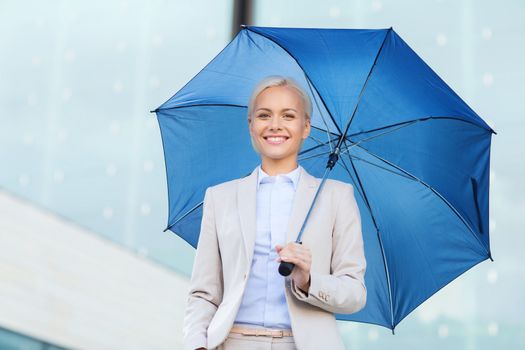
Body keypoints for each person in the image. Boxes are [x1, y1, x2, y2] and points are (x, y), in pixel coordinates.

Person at [183, 76, 367, 350]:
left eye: (288, 115)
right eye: (264, 115)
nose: (275, 125)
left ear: (305, 126)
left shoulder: (336, 197)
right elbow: (203, 294)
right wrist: (196, 344)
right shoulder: (220, 197)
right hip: (232, 342)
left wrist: (308, 280)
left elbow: (355, 293)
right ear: (251, 125)